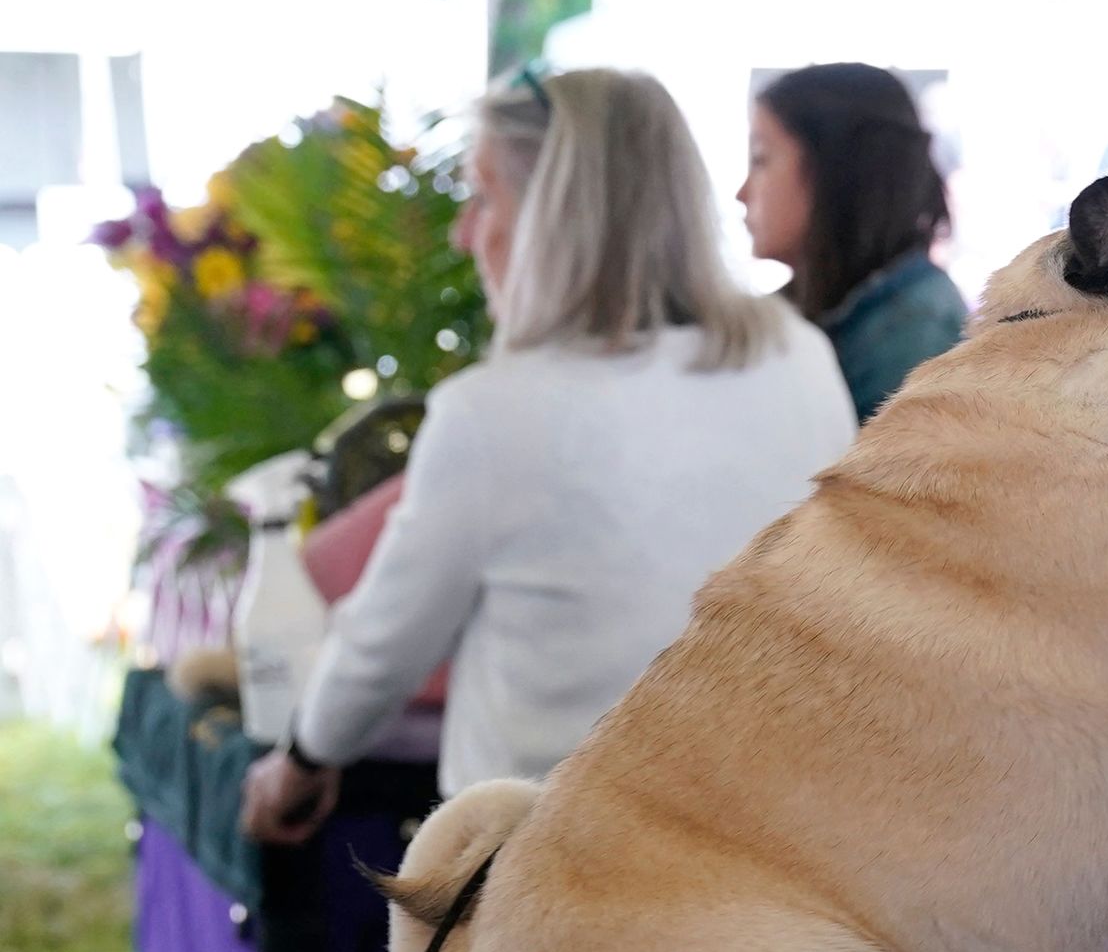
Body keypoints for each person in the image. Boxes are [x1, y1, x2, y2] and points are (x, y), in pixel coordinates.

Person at [240, 68, 856, 841]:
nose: (466, 233)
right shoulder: (801, 359)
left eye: (486, 196)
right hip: (778, 848)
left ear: (553, 214)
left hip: (557, 878)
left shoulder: (491, 413)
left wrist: (298, 760)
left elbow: (379, 654)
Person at [740, 62, 970, 422]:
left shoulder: (917, 334)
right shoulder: (819, 306)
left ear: (835, 171)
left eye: (760, 159)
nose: (742, 193)